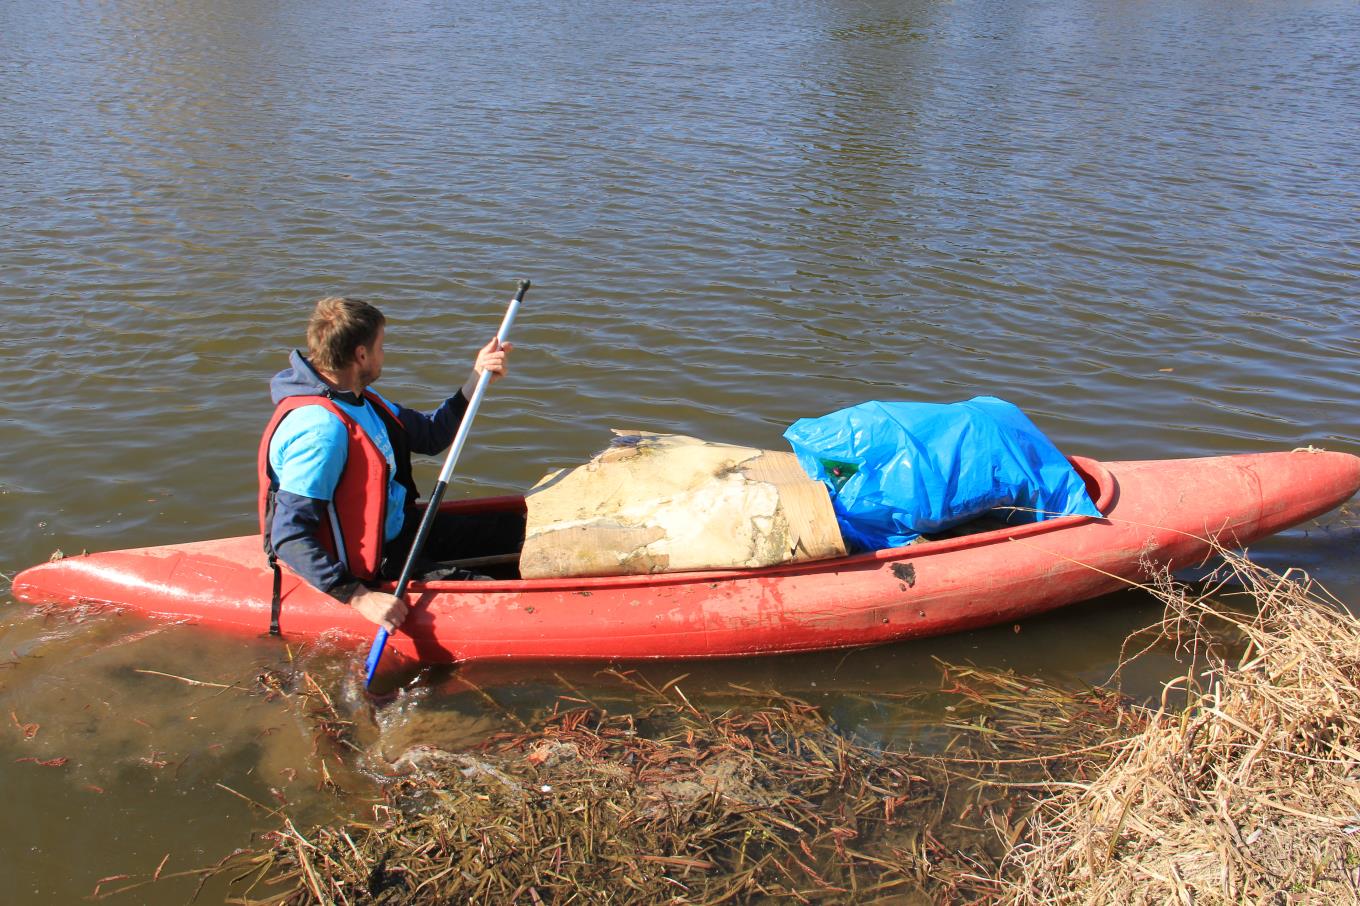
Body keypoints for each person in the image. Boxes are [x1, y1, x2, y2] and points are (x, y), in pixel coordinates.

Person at [258, 296, 511, 635]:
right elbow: (289, 536)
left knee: (510, 528)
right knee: (495, 590)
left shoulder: (359, 399)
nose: (383, 355)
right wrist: (360, 598)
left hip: (401, 530)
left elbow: (431, 435)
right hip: (375, 561)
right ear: (361, 355)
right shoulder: (320, 432)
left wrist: (476, 379)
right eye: (381, 346)